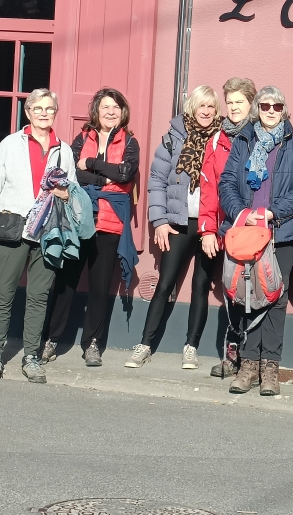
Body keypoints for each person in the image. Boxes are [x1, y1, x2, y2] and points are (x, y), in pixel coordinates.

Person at [218, 85, 293, 397]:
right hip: (247, 231)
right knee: (249, 294)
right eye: (265, 106)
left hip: (281, 232)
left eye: (277, 106)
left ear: (284, 110)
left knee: (275, 296)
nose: (271, 111)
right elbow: (227, 182)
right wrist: (242, 213)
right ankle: (248, 365)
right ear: (257, 109)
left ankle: (270, 365)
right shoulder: (244, 140)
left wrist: (272, 213)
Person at [0, 88, 77, 384]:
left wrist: (65, 193)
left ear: (55, 112)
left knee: (38, 297)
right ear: (28, 112)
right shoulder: (10, 144)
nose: (44, 113)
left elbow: (72, 193)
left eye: (49, 109)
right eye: (38, 108)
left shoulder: (64, 150)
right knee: (3, 295)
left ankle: (31, 356)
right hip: (12, 229)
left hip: (48, 233)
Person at [41, 87, 139, 367]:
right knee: (66, 282)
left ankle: (92, 343)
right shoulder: (83, 137)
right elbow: (71, 173)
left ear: (123, 112)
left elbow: (125, 173)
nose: (111, 112)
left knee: (99, 286)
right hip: (78, 218)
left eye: (116, 107)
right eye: (105, 107)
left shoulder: (130, 142)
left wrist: (93, 164)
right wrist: (102, 180)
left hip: (110, 222)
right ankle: (51, 339)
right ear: (96, 111)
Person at [126, 85, 221, 371]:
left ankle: (191, 347)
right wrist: (160, 221)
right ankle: (145, 344)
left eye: (211, 107)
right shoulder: (173, 138)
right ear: (192, 107)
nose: (206, 112)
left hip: (209, 226)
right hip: (178, 223)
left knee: (201, 285)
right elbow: (157, 180)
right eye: (201, 105)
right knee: (165, 284)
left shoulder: (222, 139)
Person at [200, 77, 257, 378]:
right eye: (230, 102)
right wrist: (208, 229)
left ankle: (253, 357)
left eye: (240, 102)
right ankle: (232, 353)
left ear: (251, 104)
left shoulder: (260, 136)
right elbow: (209, 188)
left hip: (256, 228)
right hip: (228, 230)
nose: (234, 107)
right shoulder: (217, 139)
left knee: (256, 292)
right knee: (233, 293)